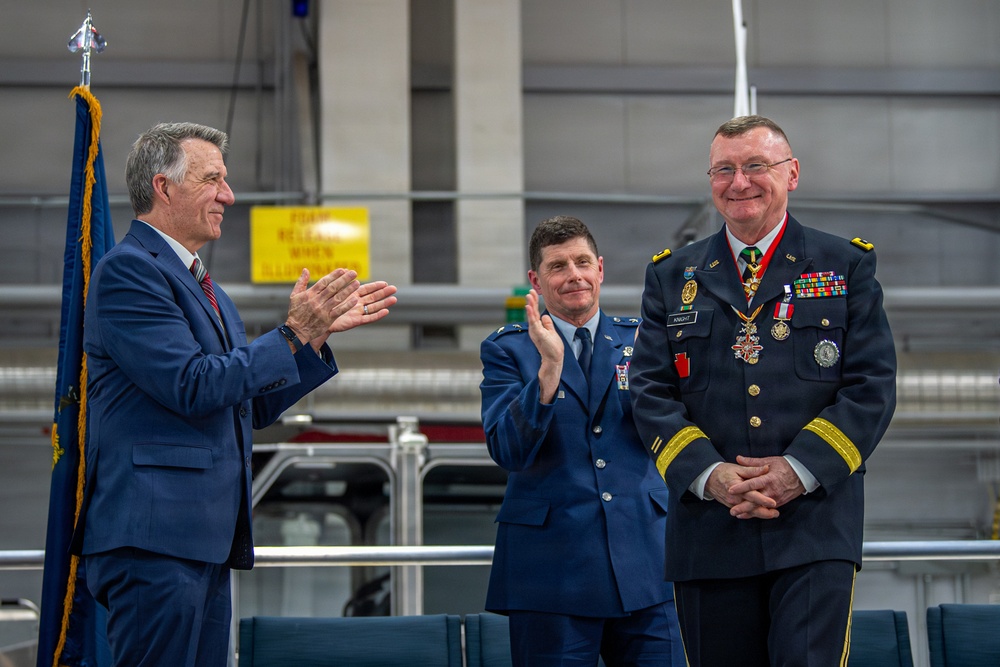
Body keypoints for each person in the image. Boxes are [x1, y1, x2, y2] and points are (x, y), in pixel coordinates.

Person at [72, 121, 397, 667]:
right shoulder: (128, 272)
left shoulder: (209, 288)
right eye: (213, 179)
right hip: (155, 543)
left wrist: (309, 340)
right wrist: (290, 334)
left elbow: (247, 403)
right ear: (164, 187)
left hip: (202, 543)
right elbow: (193, 384)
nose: (229, 194)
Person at [628, 115, 897, 665]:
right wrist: (711, 475)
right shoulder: (670, 275)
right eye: (723, 170)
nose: (739, 182)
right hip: (708, 529)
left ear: (792, 173)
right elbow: (650, 391)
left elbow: (871, 387)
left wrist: (795, 472)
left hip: (814, 528)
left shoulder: (845, 265)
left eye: (756, 166)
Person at [479, 216, 685, 667]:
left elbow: (684, 429)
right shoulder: (507, 350)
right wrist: (549, 371)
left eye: (582, 262)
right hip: (551, 573)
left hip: (649, 567)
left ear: (600, 269)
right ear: (536, 280)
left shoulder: (645, 341)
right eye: (558, 266)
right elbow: (507, 450)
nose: (573, 274)